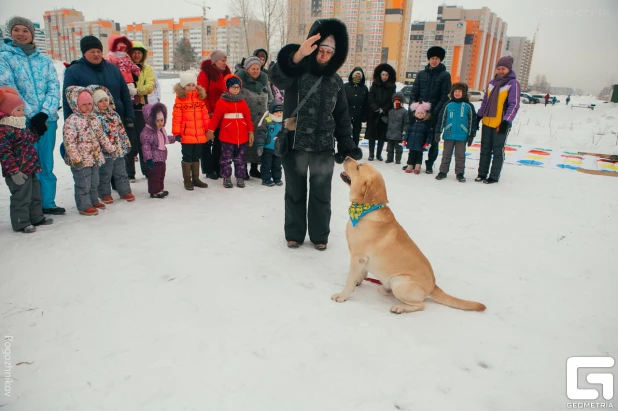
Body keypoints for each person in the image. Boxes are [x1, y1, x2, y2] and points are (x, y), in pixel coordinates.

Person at [269, 18, 362, 251]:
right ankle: (294, 234)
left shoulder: (336, 81)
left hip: (323, 146)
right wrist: (298, 55)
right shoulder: (297, 72)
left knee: (322, 194)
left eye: (329, 51)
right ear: (313, 49)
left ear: (335, 54)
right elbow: (277, 77)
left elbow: (342, 116)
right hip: (295, 143)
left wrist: (347, 145)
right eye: (320, 50)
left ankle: (320, 235)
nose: (324, 55)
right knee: (295, 191)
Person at [0, 16, 65, 215]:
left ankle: (47, 202)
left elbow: (54, 88)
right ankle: (29, 206)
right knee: (25, 164)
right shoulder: (4, 58)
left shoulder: (44, 61)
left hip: (47, 121)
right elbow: (9, 89)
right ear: (10, 33)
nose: (21, 33)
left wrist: (44, 114)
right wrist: (30, 114)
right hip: (20, 122)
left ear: (31, 34)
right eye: (17, 30)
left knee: (46, 162)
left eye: (25, 30)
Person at [63, 35, 135, 147]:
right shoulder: (74, 71)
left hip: (116, 122)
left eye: (98, 51)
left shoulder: (113, 69)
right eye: (92, 51)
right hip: (89, 126)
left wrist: (130, 117)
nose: (96, 54)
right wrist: (70, 126)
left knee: (121, 160)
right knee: (98, 161)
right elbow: (68, 101)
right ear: (84, 53)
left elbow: (125, 94)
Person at [0, 87, 54, 233]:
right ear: (7, 111)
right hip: (17, 172)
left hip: (30, 168)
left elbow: (30, 139)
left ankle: (36, 217)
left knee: (35, 194)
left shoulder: (21, 127)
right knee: (21, 197)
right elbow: (4, 153)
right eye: (18, 110)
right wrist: (13, 171)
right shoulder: (4, 130)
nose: (22, 113)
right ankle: (21, 222)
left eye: (23, 109)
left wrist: (39, 130)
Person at [62, 86, 117, 216]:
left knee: (94, 181)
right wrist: (76, 159)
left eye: (89, 104)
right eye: (84, 104)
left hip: (95, 157)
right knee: (83, 183)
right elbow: (69, 142)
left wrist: (110, 149)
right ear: (76, 105)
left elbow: (101, 136)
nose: (87, 107)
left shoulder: (94, 118)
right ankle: (84, 205)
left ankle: (93, 200)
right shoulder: (72, 121)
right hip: (81, 159)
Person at [475, 56, 521, 184]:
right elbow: (485, 101)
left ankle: (494, 176)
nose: (501, 71)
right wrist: (478, 116)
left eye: (503, 69)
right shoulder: (491, 83)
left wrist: (506, 121)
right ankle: (482, 174)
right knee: (484, 149)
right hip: (487, 121)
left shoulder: (513, 84)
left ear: (509, 69)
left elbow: (514, 104)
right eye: (499, 68)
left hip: (500, 123)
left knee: (497, 150)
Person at [409, 46, 452, 174]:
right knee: (415, 137)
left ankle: (429, 164)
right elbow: (414, 92)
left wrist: (434, 112)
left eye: (437, 58)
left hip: (434, 114)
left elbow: (444, 96)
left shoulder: (445, 75)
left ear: (440, 60)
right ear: (429, 59)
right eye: (432, 58)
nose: (434, 60)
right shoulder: (421, 74)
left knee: (433, 140)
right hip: (419, 112)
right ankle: (412, 162)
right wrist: (414, 108)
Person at [207, 74, 254, 189]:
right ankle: (226, 177)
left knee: (240, 159)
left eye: (237, 87)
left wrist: (250, 131)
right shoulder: (222, 102)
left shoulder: (242, 102)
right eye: (233, 87)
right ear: (227, 88)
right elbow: (216, 117)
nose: (236, 89)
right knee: (226, 159)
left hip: (241, 137)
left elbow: (248, 117)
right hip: (227, 137)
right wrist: (210, 130)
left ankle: (240, 177)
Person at [89, 86, 134, 203]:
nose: (104, 103)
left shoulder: (114, 115)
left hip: (118, 150)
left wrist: (126, 143)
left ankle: (125, 191)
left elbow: (121, 130)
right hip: (105, 153)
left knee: (121, 172)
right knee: (105, 174)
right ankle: (104, 194)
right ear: (94, 102)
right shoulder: (94, 118)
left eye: (105, 100)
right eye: (100, 101)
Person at [236, 56, 273, 179]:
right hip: (247, 119)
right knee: (246, 145)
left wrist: (271, 114)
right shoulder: (240, 82)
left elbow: (271, 99)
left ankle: (254, 168)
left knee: (259, 143)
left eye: (257, 68)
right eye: (253, 68)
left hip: (262, 120)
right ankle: (243, 170)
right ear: (247, 69)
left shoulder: (264, 81)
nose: (256, 71)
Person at [172, 71, 210, 191]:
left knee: (196, 156)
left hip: (199, 134)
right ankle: (187, 180)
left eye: (193, 85)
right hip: (186, 135)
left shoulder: (200, 99)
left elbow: (205, 116)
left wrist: (208, 130)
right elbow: (176, 118)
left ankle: (196, 178)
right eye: (188, 85)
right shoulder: (180, 100)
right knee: (187, 156)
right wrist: (177, 133)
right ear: (183, 86)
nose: (191, 87)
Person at [198, 50, 231, 179]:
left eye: (225, 60)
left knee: (220, 141)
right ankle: (208, 168)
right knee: (207, 141)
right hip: (209, 113)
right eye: (222, 60)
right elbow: (202, 94)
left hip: (223, 112)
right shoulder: (205, 74)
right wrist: (209, 111)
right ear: (215, 61)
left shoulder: (227, 74)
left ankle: (218, 167)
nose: (224, 63)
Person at [434, 82, 478, 182]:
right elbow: (441, 119)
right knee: (446, 154)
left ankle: (460, 173)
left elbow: (472, 121)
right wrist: (438, 131)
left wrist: (471, 134)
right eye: (455, 91)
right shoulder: (448, 105)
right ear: (452, 92)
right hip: (449, 134)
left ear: (464, 93)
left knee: (460, 155)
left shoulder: (468, 106)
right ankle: (443, 171)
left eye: (460, 91)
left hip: (462, 136)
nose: (457, 93)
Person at [126, 40, 156, 181]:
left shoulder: (147, 69)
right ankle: (130, 173)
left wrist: (136, 90)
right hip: (127, 108)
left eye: (139, 53)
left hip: (141, 109)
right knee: (130, 142)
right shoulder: (124, 68)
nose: (137, 55)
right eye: (134, 52)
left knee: (144, 140)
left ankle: (146, 170)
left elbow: (150, 86)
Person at [140, 103, 176, 198]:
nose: (160, 123)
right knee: (154, 176)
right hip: (153, 159)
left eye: (162, 120)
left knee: (161, 174)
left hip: (161, 157)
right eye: (157, 121)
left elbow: (165, 139)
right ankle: (154, 191)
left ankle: (160, 188)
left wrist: (175, 138)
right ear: (150, 120)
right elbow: (146, 147)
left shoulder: (160, 130)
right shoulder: (147, 133)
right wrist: (148, 159)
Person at [366, 63, 396, 161]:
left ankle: (379, 154)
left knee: (382, 135)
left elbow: (392, 99)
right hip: (373, 113)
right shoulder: (375, 84)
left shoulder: (392, 86)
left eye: (386, 75)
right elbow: (371, 97)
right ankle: (371, 154)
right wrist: (376, 107)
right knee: (372, 135)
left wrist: (384, 109)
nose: (384, 77)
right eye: (383, 75)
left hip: (384, 114)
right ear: (380, 75)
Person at [256, 99, 284, 186]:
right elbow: (261, 133)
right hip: (268, 148)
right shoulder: (267, 120)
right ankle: (266, 179)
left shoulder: (283, 121)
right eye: (277, 112)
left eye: (281, 112)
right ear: (272, 111)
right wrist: (260, 145)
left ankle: (277, 178)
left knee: (277, 165)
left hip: (278, 148)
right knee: (266, 165)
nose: (279, 114)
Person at [404, 102, 433, 174]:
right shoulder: (413, 124)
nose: (420, 115)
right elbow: (408, 132)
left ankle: (417, 167)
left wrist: (427, 142)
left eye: (422, 113)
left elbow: (429, 135)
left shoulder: (426, 125)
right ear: (416, 114)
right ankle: (410, 165)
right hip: (412, 143)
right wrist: (405, 139)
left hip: (420, 143)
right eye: (418, 113)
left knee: (419, 156)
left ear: (425, 115)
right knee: (411, 155)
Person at [344, 66, 368, 147]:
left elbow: (366, 103)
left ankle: (354, 149)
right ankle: (345, 149)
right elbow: (341, 101)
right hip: (347, 114)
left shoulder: (364, 88)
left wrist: (365, 116)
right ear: (352, 75)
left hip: (358, 115)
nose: (357, 77)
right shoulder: (346, 86)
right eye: (356, 75)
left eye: (359, 76)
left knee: (356, 134)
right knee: (346, 133)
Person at [384, 92, 409, 164]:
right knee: (389, 148)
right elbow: (388, 121)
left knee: (398, 148)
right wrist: (383, 118)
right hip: (390, 133)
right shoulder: (391, 111)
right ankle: (389, 158)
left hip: (398, 134)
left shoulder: (405, 112)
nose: (396, 103)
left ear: (402, 102)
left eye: (398, 101)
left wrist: (404, 132)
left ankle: (398, 159)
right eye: (395, 101)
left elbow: (406, 123)